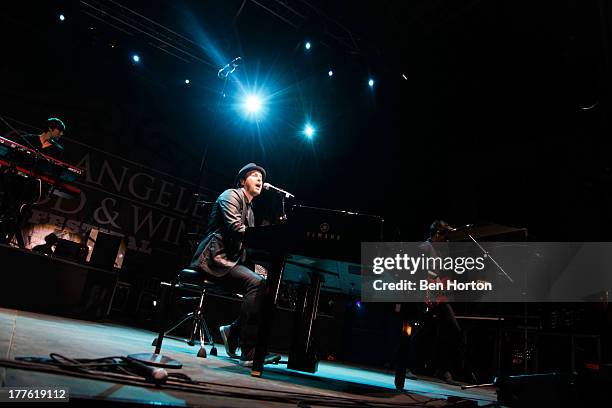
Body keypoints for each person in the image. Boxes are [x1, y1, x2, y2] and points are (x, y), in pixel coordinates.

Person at [190, 163, 280, 367]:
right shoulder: (230, 195)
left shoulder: (250, 210)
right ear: (241, 181)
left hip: (230, 261)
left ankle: (233, 331)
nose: (259, 180)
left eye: (261, 177)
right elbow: (235, 229)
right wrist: (267, 239)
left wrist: (262, 268)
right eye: (254, 175)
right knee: (256, 284)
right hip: (213, 259)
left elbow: (248, 246)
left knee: (266, 286)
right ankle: (248, 352)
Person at [399, 220, 465, 385]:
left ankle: (442, 369)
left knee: (452, 329)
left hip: (440, 296)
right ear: (436, 234)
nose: (447, 240)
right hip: (425, 294)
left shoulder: (443, 250)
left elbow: (441, 274)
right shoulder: (424, 248)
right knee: (423, 331)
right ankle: (405, 366)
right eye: (445, 236)